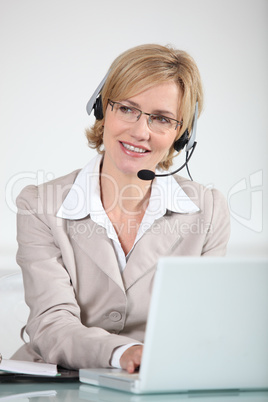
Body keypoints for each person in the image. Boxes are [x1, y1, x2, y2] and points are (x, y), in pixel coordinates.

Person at [12, 44, 230, 373]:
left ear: (181, 134)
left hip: (158, 383)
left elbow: (203, 324)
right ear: (103, 109)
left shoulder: (208, 210)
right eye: (127, 109)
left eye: (161, 118)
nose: (140, 131)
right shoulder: (40, 205)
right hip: (58, 383)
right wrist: (124, 352)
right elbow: (51, 324)